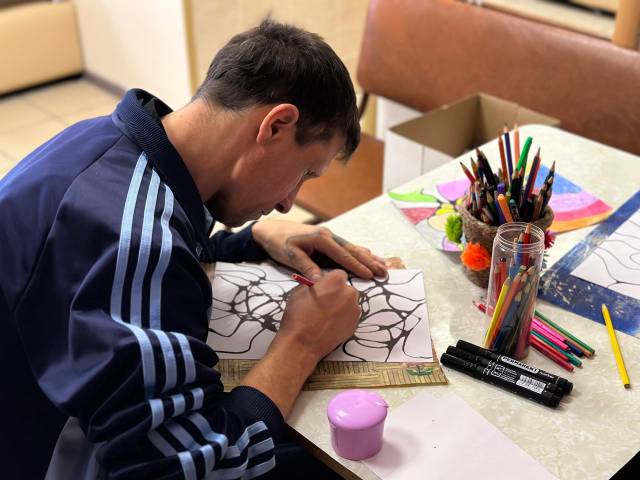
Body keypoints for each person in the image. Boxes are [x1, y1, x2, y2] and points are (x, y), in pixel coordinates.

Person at [0, 19, 388, 479]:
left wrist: (249, 240)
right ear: (276, 125)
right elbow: (191, 469)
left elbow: (110, 271)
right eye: (304, 173)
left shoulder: (106, 142)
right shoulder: (136, 243)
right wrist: (301, 344)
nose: (289, 203)